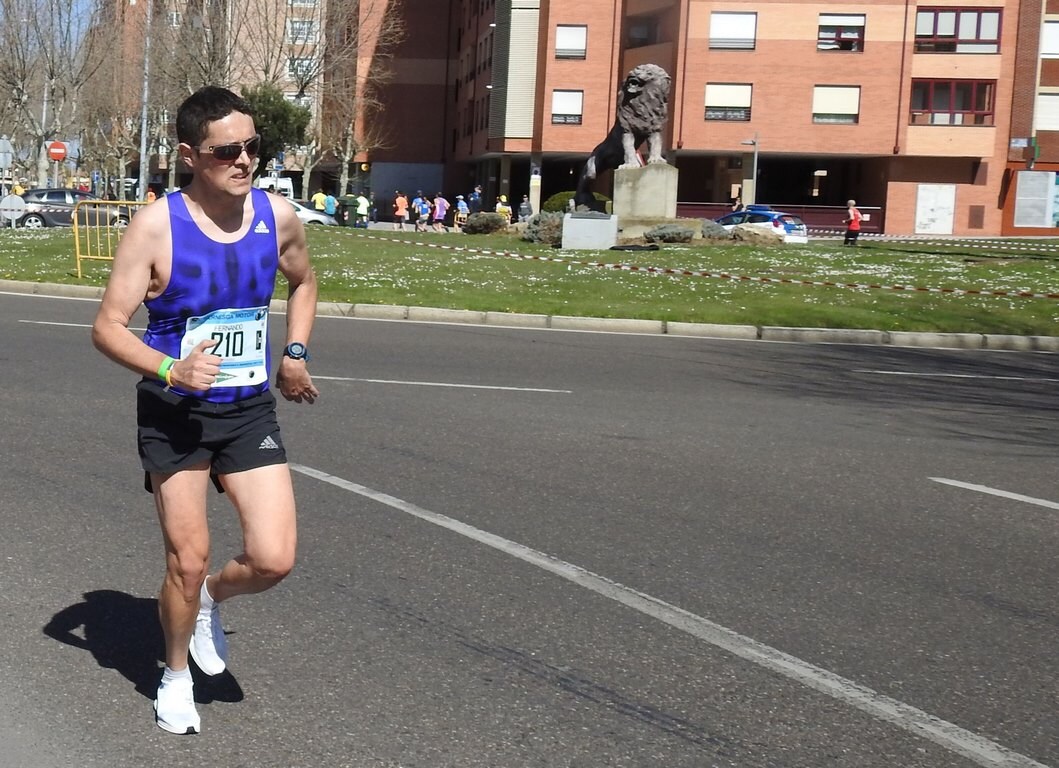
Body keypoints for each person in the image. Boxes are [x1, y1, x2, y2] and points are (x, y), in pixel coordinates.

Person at [91, 85, 319, 735]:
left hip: (247, 408)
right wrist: (170, 367)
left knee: (274, 557)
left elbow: (303, 281)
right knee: (184, 561)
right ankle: (174, 674)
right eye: (228, 152)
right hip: (175, 411)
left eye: (254, 147)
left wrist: (295, 351)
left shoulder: (278, 216)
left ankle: (213, 599)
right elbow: (108, 327)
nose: (246, 161)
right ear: (191, 155)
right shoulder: (157, 225)